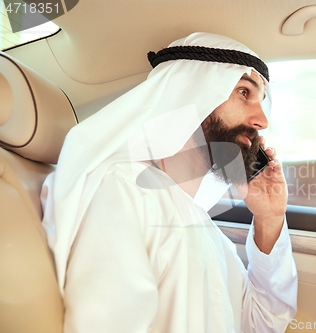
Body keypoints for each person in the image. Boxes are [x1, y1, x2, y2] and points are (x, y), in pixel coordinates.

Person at [41, 32, 297, 333]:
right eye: (244, 92)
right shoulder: (122, 189)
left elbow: (263, 323)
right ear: (190, 92)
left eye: (262, 101)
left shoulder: (201, 225)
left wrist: (269, 218)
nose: (262, 120)